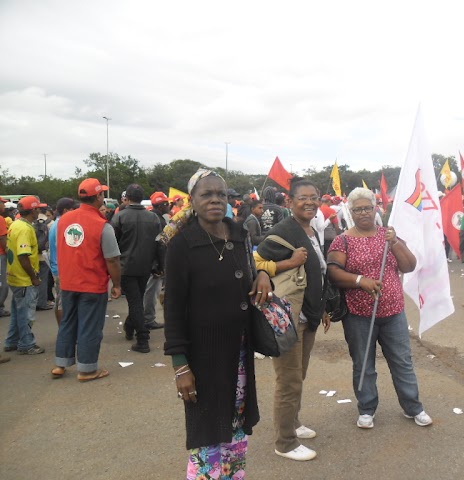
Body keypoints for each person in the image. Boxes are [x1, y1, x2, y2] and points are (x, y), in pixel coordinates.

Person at [163, 168, 272, 479]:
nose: (214, 200)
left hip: (239, 353)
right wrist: (180, 365)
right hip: (203, 357)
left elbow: (251, 273)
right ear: (192, 201)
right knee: (208, 434)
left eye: (220, 194)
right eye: (206, 194)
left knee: (236, 428)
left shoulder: (239, 234)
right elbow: (173, 309)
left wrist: (263, 274)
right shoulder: (182, 245)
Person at [327, 187, 432, 431]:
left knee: (402, 361)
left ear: (376, 208)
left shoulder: (388, 235)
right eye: (358, 209)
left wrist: (394, 242)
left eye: (367, 207)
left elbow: (409, 265)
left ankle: (413, 407)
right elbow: (333, 272)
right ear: (350, 213)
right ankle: (366, 408)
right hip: (358, 314)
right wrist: (359, 281)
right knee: (363, 364)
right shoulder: (342, 240)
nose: (363, 213)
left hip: (393, 312)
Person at [254, 179, 330, 462]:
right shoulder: (282, 231)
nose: (309, 202)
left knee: (299, 376)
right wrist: (288, 263)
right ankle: (285, 442)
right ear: (290, 202)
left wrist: (321, 307)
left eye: (314, 197)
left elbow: (317, 273)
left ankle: (294, 423)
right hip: (287, 319)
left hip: (306, 315)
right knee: (288, 381)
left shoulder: (310, 230)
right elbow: (255, 263)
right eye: (303, 198)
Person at [52, 178, 121, 381]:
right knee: (89, 326)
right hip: (91, 284)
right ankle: (87, 369)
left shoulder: (64, 220)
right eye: (102, 194)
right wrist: (116, 284)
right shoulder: (102, 225)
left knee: (67, 323)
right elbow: (113, 260)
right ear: (98, 196)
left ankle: (60, 364)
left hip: (68, 282)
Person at [111, 184, 163, 353]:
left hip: (126, 267)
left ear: (127, 197)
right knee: (137, 301)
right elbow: (160, 244)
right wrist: (160, 265)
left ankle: (142, 339)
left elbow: (113, 244)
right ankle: (130, 326)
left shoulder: (120, 217)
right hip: (145, 266)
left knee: (135, 302)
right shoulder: (153, 218)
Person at [3, 196, 47, 355]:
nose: (40, 211)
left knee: (17, 311)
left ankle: (12, 341)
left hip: (14, 275)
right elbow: (23, 256)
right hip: (23, 278)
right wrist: (34, 277)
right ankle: (27, 344)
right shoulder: (25, 228)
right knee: (26, 314)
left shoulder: (15, 224)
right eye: (38, 208)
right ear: (33, 210)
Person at [142, 191, 171, 331]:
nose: (169, 206)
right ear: (161, 206)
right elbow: (160, 245)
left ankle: (145, 318)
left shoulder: (149, 217)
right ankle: (148, 319)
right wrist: (161, 265)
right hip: (155, 263)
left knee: (150, 292)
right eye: (167, 204)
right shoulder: (158, 220)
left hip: (147, 260)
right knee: (151, 292)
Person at [48, 198, 78, 326]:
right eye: (73, 209)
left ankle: (64, 330)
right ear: (66, 210)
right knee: (62, 302)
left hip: (57, 267)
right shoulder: (62, 224)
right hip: (61, 268)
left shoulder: (57, 223)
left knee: (60, 300)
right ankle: (64, 331)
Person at [0, 196, 10, 317]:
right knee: (3, 284)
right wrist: (10, 254)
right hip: (1, 254)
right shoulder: (1, 219)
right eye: (2, 203)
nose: (4, 206)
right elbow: (2, 238)